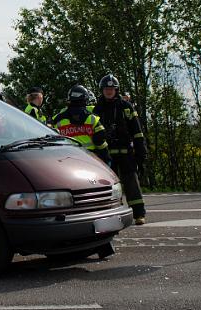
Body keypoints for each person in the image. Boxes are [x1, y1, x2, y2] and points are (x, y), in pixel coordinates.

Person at [94, 74, 148, 225]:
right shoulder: (97, 108)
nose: (109, 91)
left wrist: (141, 153)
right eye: (106, 89)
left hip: (126, 153)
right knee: (109, 187)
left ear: (116, 90)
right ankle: (111, 215)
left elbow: (137, 132)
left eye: (112, 89)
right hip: (107, 154)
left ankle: (139, 214)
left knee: (132, 185)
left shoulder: (126, 107)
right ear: (102, 90)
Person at [52, 85, 111, 164]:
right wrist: (107, 158)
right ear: (85, 98)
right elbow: (100, 142)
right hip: (91, 159)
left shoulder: (57, 119)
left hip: (67, 160)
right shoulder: (92, 119)